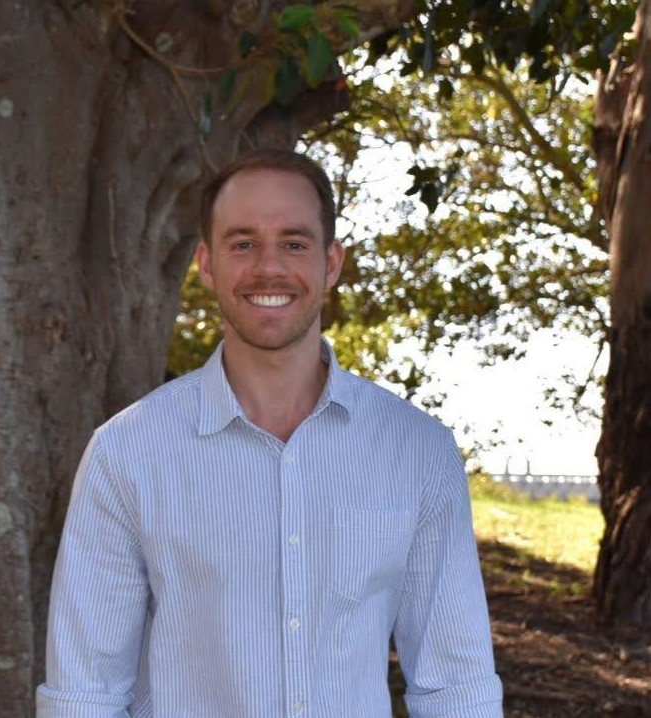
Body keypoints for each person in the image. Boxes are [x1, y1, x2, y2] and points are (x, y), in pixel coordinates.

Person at [36, 149, 504, 718]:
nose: (268, 267)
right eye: (242, 243)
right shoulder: (128, 452)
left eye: (294, 242)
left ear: (331, 263)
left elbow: (456, 686)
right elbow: (85, 694)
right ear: (207, 264)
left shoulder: (416, 451)